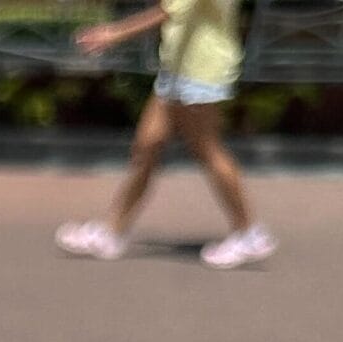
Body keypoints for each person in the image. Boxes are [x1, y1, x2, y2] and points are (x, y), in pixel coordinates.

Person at [56, 0, 272, 267]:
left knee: (208, 150)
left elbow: (170, 10)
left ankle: (249, 233)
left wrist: (114, 33)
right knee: (146, 146)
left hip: (200, 72)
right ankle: (111, 233)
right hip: (176, 69)